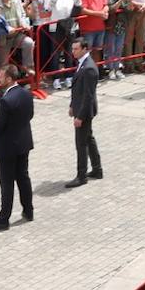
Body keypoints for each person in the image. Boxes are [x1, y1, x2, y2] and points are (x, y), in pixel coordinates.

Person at [0, 63, 34, 231]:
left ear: (9, 79)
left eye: (1, 76)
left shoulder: (5, 101)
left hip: (7, 147)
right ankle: (28, 210)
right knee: (23, 178)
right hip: (23, 143)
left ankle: (3, 219)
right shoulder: (26, 94)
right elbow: (29, 115)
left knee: (7, 184)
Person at [65, 37, 102, 187]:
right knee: (88, 139)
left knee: (81, 143)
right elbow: (78, 90)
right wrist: (72, 105)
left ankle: (81, 176)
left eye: (76, 49)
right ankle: (97, 169)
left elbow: (88, 95)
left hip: (84, 112)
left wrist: (79, 116)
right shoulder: (82, 65)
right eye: (72, 48)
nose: (73, 52)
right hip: (80, 108)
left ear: (85, 49)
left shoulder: (88, 68)